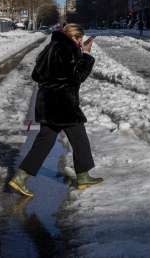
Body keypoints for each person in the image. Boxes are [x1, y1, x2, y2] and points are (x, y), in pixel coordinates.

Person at [8, 23, 102, 197]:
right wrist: (87, 55)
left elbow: (36, 75)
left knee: (45, 141)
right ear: (73, 36)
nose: (81, 42)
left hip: (46, 102)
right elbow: (77, 77)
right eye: (79, 38)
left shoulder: (50, 48)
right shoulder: (68, 49)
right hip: (63, 104)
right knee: (79, 139)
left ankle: (20, 178)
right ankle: (83, 177)